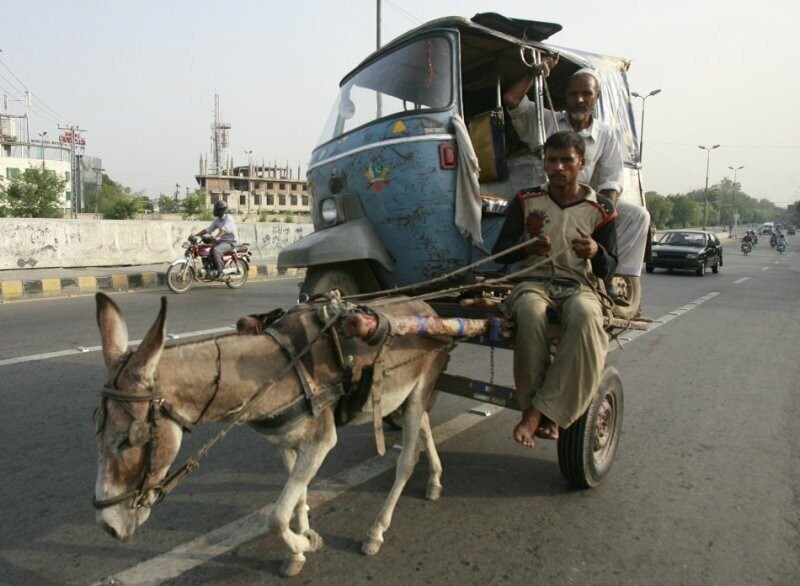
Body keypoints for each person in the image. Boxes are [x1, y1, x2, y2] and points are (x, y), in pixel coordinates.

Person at [492, 131, 618, 448]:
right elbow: (501, 252)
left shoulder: (601, 209)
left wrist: (596, 252)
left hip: (579, 285)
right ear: (545, 163)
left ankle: (535, 413)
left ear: (582, 164)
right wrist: (527, 248)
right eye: (552, 160)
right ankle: (540, 411)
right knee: (530, 311)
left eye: (566, 161)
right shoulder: (526, 199)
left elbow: (609, 267)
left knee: (586, 314)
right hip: (533, 283)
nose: (558, 167)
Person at [503, 59, 648, 304]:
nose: (580, 99)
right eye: (574, 94)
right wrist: (534, 71)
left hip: (585, 202)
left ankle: (613, 276)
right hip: (546, 198)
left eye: (586, 94)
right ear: (565, 97)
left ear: (596, 97)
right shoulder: (545, 119)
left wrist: (599, 216)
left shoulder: (605, 134)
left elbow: (612, 180)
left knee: (638, 216)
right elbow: (511, 100)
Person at [195, 200, 238, 279]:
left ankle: (221, 272)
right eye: (216, 208)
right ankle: (208, 267)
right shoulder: (217, 220)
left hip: (230, 242)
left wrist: (217, 236)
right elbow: (208, 230)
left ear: (222, 210)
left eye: (218, 209)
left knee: (216, 250)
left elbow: (224, 230)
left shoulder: (229, 218)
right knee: (204, 248)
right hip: (221, 241)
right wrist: (196, 235)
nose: (216, 210)